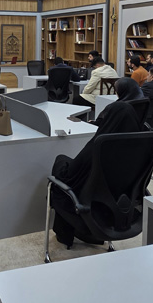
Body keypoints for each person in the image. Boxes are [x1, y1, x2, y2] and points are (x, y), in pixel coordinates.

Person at [49, 101, 141, 246]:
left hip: (91, 207)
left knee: (60, 174)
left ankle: (65, 234)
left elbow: (71, 173)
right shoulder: (142, 150)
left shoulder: (101, 144)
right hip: (121, 207)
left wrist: (60, 163)